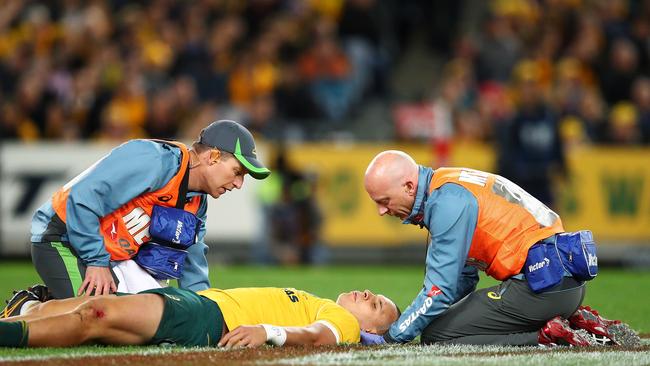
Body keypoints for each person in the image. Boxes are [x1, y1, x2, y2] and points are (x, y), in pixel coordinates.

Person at [362, 150, 640, 347]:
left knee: (438, 335)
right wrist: (425, 314)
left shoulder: (445, 204)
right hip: (560, 281)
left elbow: (440, 290)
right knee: (440, 323)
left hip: (539, 287)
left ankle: (548, 337)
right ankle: (574, 320)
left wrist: (392, 336)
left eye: (383, 200)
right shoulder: (447, 184)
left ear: (410, 187)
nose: (381, 211)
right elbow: (463, 279)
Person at [16, 120, 270, 303]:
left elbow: (192, 259)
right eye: (238, 172)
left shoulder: (197, 201)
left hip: (112, 258)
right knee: (95, 318)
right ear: (213, 156)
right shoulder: (155, 160)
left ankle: (58, 297)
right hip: (62, 238)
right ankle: (28, 305)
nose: (239, 184)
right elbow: (82, 200)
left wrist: (202, 309)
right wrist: (96, 261)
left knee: (145, 321)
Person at [0, 286, 399, 348]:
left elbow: (316, 337)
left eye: (375, 304)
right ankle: (24, 312)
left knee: (95, 313)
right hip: (197, 302)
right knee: (81, 308)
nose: (367, 294)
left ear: (368, 328)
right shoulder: (320, 300)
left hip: (206, 316)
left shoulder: (342, 323)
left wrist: (269, 331)